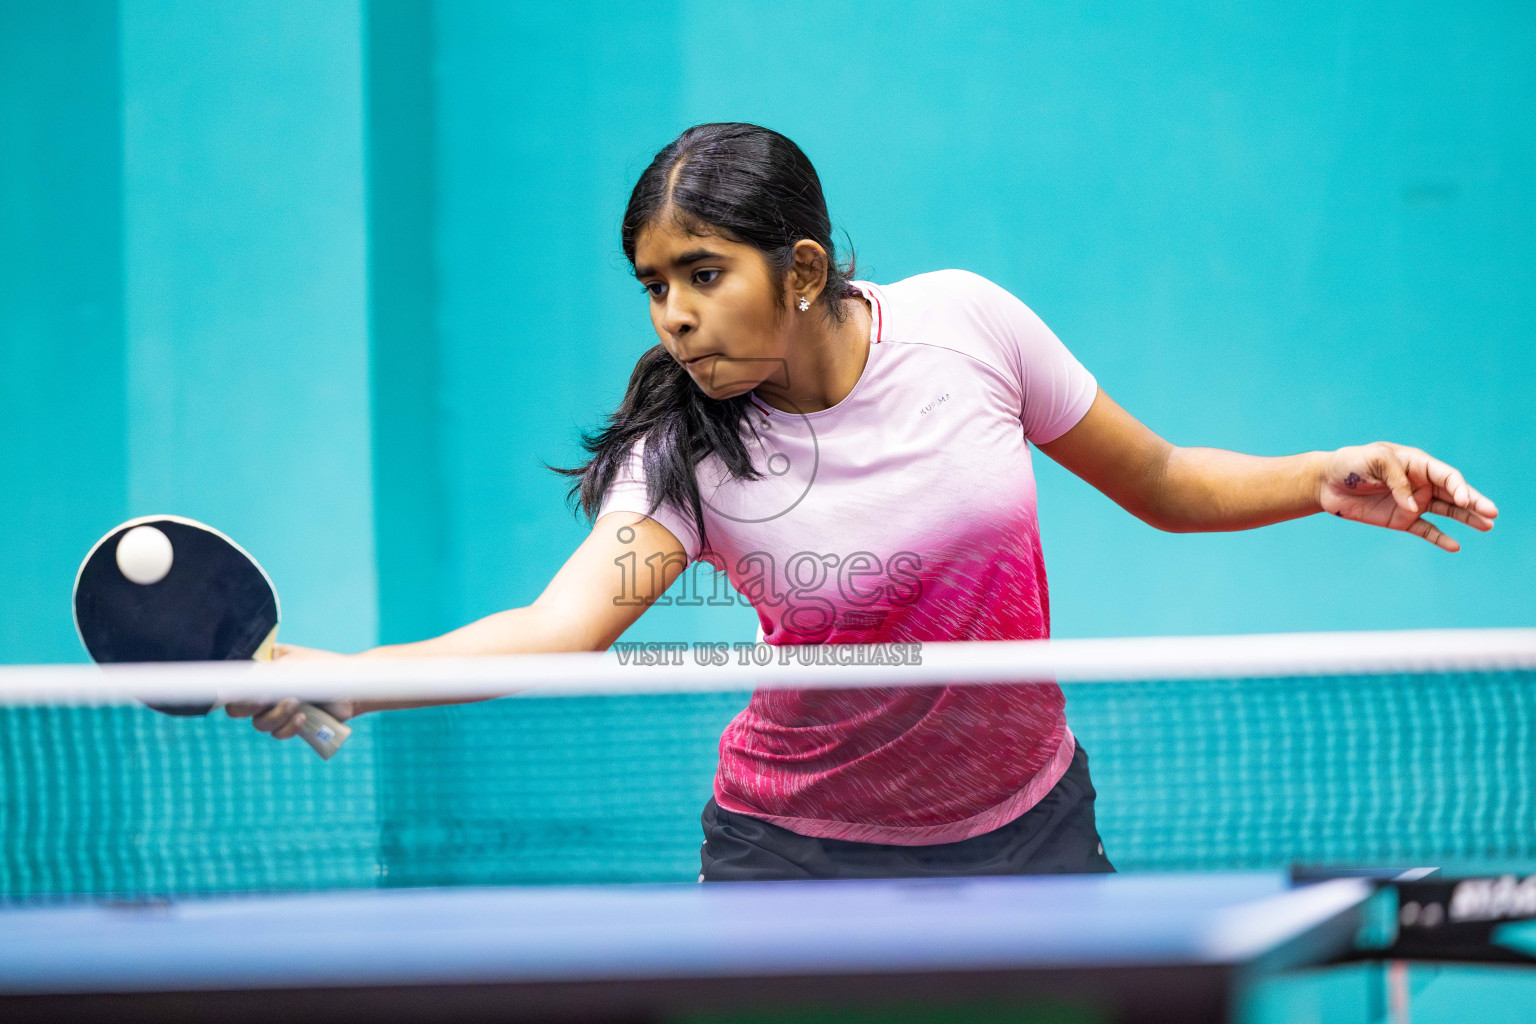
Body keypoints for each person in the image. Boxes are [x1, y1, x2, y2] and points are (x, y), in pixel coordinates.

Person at [231, 122, 1498, 882]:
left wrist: (1320, 480)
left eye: (701, 273)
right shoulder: (688, 451)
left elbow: (1160, 481)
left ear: (802, 271)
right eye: (651, 283)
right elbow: (553, 630)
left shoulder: (969, 331)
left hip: (1029, 828)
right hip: (798, 852)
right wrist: (342, 671)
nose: (673, 312)